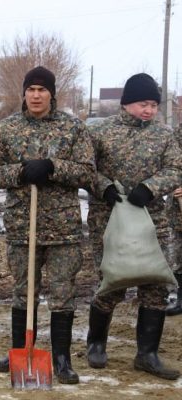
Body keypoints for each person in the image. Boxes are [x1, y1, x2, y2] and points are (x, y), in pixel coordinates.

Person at [0, 66, 95, 384]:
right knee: (23, 292)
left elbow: (87, 172)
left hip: (63, 230)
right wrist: (20, 172)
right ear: (24, 93)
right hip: (22, 227)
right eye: (31, 89)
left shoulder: (72, 128)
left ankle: (61, 358)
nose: (36, 95)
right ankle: (20, 349)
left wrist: (52, 167)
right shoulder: (7, 129)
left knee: (62, 294)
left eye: (42, 89)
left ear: (51, 94)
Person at [86, 73, 182, 380]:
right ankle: (96, 344)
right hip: (110, 220)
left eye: (154, 104)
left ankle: (147, 354)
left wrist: (151, 187)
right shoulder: (101, 133)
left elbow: (176, 168)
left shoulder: (164, 135)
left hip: (153, 221)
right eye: (144, 103)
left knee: (155, 286)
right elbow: (86, 169)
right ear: (127, 103)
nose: (149, 110)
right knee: (111, 281)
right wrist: (104, 188)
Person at [166, 124, 182, 315]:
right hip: (178, 209)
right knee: (178, 256)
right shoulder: (178, 131)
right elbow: (173, 164)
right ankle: (180, 298)